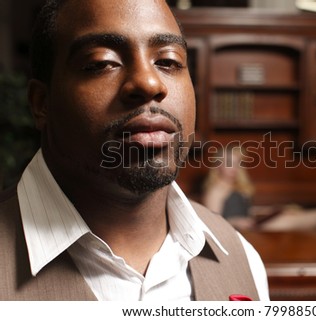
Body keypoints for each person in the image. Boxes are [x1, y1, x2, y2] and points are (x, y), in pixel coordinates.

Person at [0, 0, 269, 301]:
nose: (149, 82)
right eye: (102, 62)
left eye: (168, 61)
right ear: (42, 103)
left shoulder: (243, 259)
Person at [202, 147, 255, 229]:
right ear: (218, 165)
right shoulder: (215, 191)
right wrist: (235, 222)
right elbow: (213, 224)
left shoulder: (240, 187)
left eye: (236, 163)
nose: (234, 167)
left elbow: (245, 213)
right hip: (229, 235)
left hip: (247, 232)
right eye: (229, 163)